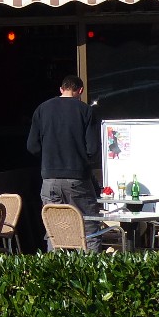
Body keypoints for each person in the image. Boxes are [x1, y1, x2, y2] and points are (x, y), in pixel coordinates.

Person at [26, 75, 101, 232]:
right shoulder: (86, 111)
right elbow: (92, 148)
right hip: (77, 178)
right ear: (80, 90)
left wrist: (49, 157)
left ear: (61, 89)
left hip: (50, 179)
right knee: (88, 226)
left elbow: (32, 146)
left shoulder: (42, 109)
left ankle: (55, 256)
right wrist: (82, 160)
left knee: (55, 230)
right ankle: (89, 257)